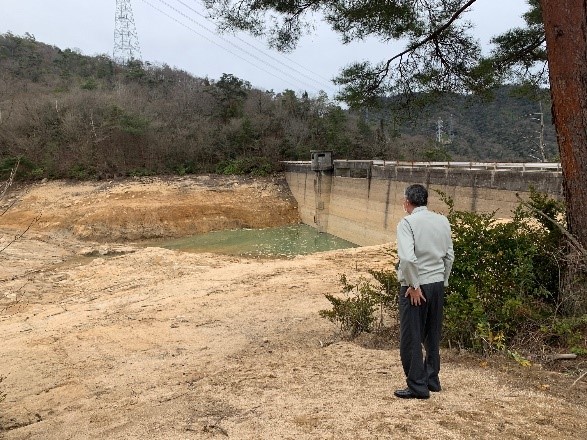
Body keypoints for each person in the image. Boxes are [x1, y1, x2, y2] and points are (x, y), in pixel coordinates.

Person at [394, 184, 454, 399]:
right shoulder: (442, 220)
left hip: (415, 287)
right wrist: (442, 281)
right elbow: (449, 256)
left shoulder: (407, 223)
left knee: (411, 337)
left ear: (407, 202)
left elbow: (408, 258)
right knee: (432, 335)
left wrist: (414, 286)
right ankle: (432, 380)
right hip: (437, 283)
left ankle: (417, 387)